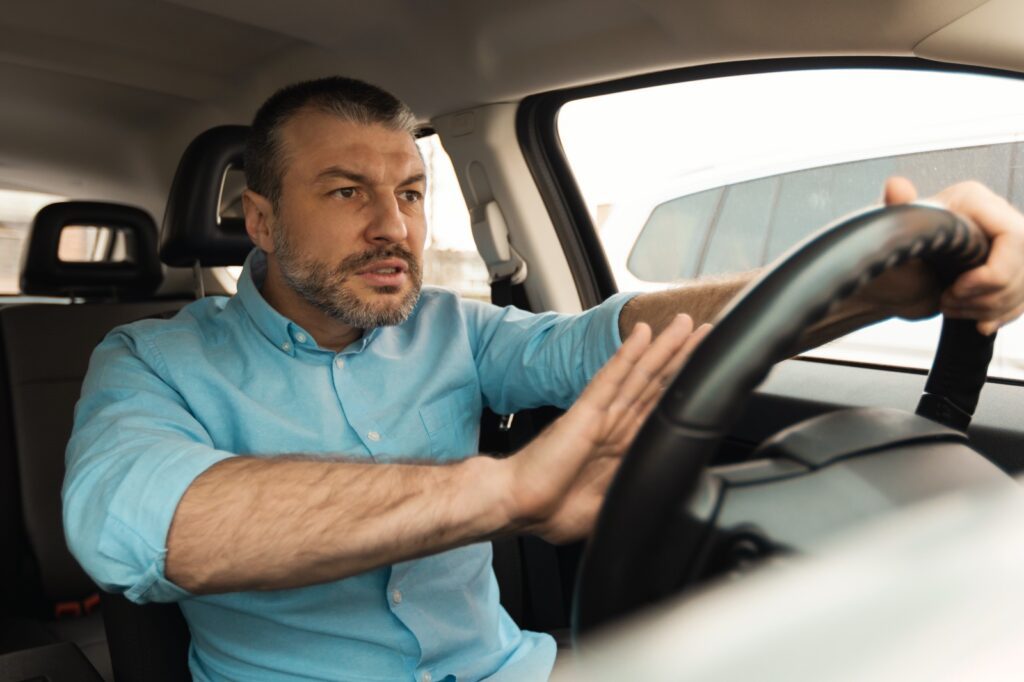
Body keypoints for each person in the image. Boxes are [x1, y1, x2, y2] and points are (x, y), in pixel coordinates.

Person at [63, 76, 1024, 682]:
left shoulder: (449, 328)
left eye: (408, 192)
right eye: (347, 191)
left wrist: (886, 282)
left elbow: (610, 337)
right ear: (262, 223)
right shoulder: (152, 361)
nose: (394, 227)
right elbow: (133, 523)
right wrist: (500, 491)